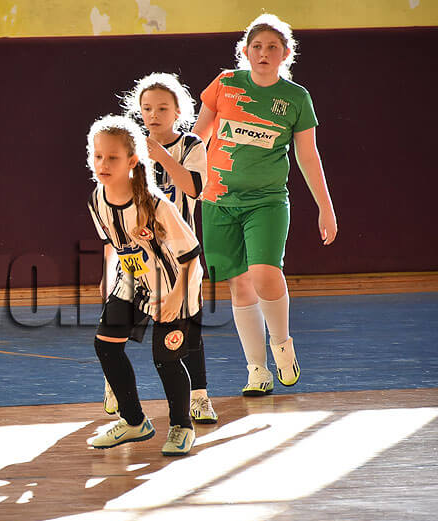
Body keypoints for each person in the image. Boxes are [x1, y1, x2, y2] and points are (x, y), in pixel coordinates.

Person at [192, 13, 337, 395]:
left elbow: (308, 156)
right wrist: (178, 180)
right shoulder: (225, 84)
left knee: (264, 273)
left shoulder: (295, 98)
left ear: (286, 53)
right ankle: (257, 370)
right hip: (217, 199)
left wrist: (325, 207)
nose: (263, 52)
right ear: (245, 51)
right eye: (257, 46)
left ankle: (282, 345)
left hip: (266, 201)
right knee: (239, 285)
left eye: (272, 47)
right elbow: (198, 137)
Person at [85, 116, 203, 456]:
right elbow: (115, 245)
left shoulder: (155, 205)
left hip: (173, 284)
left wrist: (178, 296)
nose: (103, 164)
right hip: (132, 281)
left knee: (165, 359)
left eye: (113, 157)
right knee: (106, 346)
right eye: (98, 156)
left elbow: (191, 256)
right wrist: (109, 279)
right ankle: (134, 421)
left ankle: (182, 426)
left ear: (132, 161)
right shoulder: (97, 200)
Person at [113, 71, 218, 424]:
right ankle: (114, 384)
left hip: (180, 253)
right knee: (120, 318)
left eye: (161, 108)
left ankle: (199, 397)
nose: (153, 115)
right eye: (146, 108)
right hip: (139, 252)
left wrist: (161, 156)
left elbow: (194, 189)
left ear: (178, 111)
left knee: (188, 324)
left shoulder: (190, 145)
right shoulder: (129, 146)